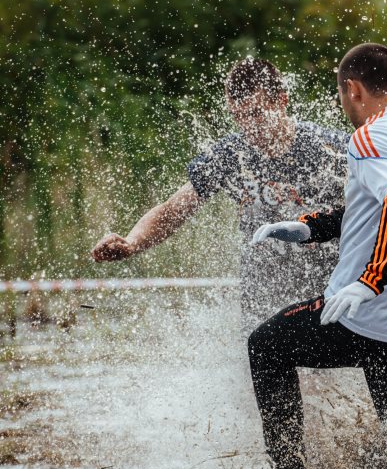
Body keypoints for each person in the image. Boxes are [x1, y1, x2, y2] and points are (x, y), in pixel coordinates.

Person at [233, 43, 387, 469]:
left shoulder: (368, 137)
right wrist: (311, 227)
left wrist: (368, 280)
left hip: (372, 318)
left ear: (352, 89)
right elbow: (376, 203)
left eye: (341, 94)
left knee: (266, 345)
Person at [91, 57, 348, 330]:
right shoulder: (230, 155)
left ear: (281, 101)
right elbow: (173, 209)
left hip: (325, 280)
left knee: (324, 371)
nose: (248, 128)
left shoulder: (327, 148)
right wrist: (132, 242)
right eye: (238, 117)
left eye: (255, 114)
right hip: (262, 287)